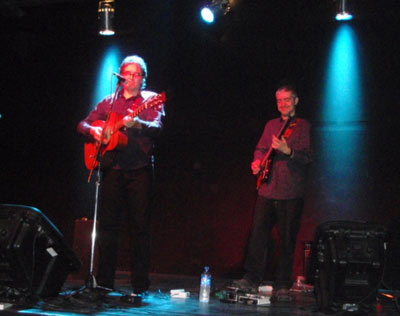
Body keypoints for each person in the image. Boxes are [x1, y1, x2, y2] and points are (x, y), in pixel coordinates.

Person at [77, 55, 165, 294]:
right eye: (128, 73)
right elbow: (82, 124)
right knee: (108, 227)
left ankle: (139, 285)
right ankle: (104, 282)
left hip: (140, 170)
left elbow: (157, 127)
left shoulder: (150, 99)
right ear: (121, 76)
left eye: (138, 74)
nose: (133, 78)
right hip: (112, 169)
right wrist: (94, 129)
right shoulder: (110, 100)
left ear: (143, 78)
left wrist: (138, 124)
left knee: (139, 228)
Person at [233, 84, 312, 302]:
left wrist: (290, 151)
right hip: (267, 188)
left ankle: (283, 284)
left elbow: (308, 157)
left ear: (296, 100)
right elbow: (260, 148)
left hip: (290, 191)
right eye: (279, 100)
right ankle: (252, 278)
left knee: (287, 240)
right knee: (258, 235)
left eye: (287, 99)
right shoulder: (270, 125)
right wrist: (257, 161)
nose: (283, 104)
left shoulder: (303, 126)